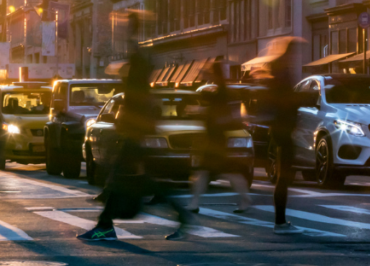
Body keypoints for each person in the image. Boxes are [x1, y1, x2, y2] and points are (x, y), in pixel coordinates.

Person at [78, 12, 192, 242]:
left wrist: (130, 29)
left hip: (135, 132)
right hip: (135, 130)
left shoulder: (139, 65)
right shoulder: (140, 64)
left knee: (126, 177)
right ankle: (181, 216)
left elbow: (137, 96)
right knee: (139, 179)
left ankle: (105, 225)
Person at [187, 59, 251, 214]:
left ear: (215, 74)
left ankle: (195, 203)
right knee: (221, 171)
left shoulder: (221, 91)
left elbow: (214, 107)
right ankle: (195, 202)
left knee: (211, 171)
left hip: (216, 140)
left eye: (211, 73)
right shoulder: (221, 90)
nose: (210, 77)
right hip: (215, 139)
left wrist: (198, 110)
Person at [261, 36, 307, 235]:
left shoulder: (278, 71)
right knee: (284, 176)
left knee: (283, 176)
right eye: (296, 52)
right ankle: (279, 222)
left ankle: (280, 220)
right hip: (283, 129)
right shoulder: (282, 74)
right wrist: (302, 99)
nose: (297, 56)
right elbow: (285, 101)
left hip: (280, 129)